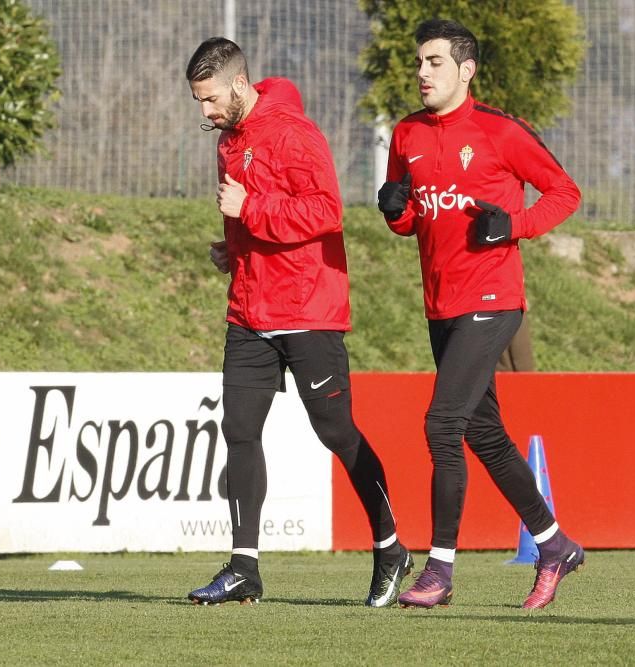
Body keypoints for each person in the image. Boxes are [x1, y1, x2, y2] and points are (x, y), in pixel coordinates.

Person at [185, 37, 411, 607]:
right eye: (198, 102)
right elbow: (256, 216)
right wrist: (233, 247)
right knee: (238, 431)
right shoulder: (230, 140)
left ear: (239, 84)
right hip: (249, 311)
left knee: (335, 431)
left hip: (308, 308)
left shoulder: (294, 133)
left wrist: (250, 213)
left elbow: (325, 211)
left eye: (210, 99)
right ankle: (243, 569)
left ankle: (391, 547)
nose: (205, 112)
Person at [376, 19, 583, 610]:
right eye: (419, 62)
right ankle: (555, 546)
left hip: (493, 301)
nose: (421, 73)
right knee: (484, 435)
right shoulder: (406, 134)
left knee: (442, 425)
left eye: (434, 63)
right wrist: (394, 210)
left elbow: (565, 192)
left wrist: (512, 226)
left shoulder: (500, 131)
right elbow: (409, 215)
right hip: (440, 305)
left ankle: (438, 571)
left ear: (466, 70)